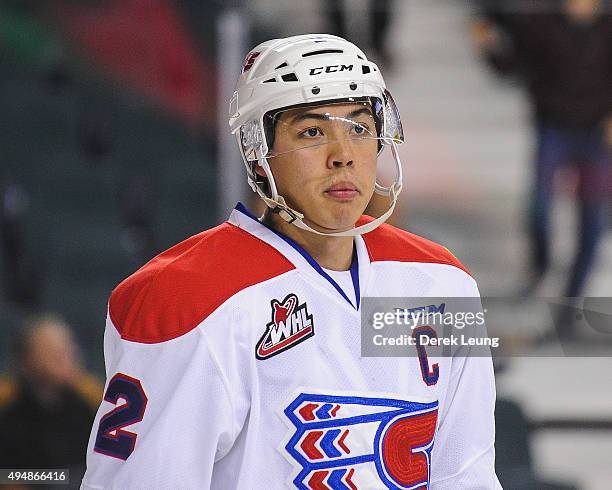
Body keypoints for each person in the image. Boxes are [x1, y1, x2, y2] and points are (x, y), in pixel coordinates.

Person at [81, 34, 500, 489]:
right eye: (312, 132)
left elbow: (466, 475)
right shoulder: (187, 300)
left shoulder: (442, 282)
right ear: (258, 153)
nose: (343, 155)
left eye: (359, 127)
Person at [473, 0, 612, 301]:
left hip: (597, 134)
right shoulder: (542, 21)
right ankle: (540, 265)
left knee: (592, 218)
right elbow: (514, 65)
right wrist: (488, 46)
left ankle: (572, 297)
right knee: (540, 205)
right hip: (553, 127)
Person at [0, 313, 102, 488]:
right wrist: (60, 479)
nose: (66, 357)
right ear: (28, 358)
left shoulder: (91, 397)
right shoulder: (7, 401)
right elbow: (5, 476)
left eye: (68, 348)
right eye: (53, 352)